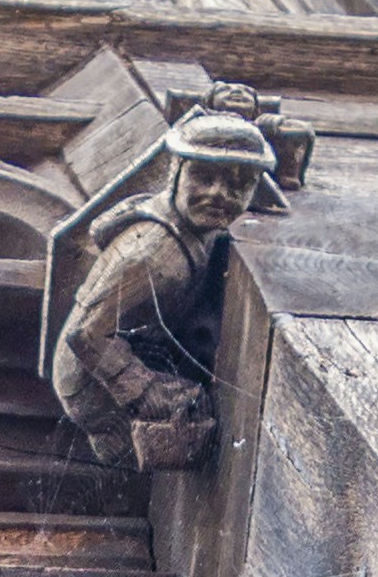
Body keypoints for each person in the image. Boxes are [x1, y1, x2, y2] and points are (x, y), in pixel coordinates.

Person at [47, 111, 287, 472]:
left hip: (135, 344)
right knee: (190, 410)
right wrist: (146, 391)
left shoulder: (193, 225)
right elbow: (86, 335)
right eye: (203, 176)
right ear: (175, 172)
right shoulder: (155, 253)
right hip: (88, 386)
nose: (219, 194)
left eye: (239, 184)